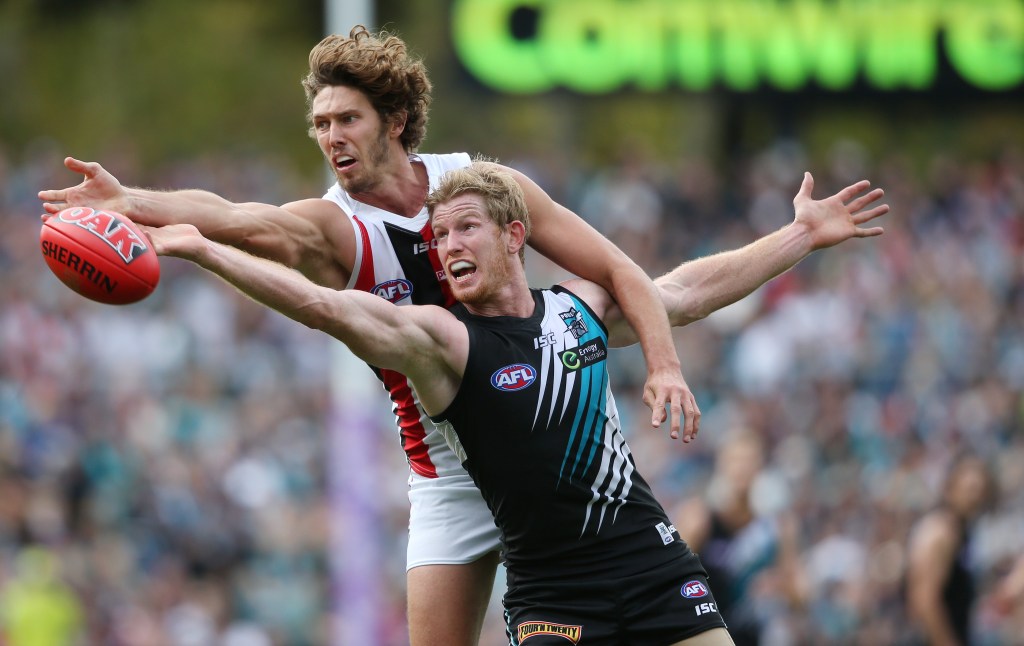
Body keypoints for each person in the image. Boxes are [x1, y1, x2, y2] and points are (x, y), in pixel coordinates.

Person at [38, 26, 888, 646]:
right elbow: (237, 218)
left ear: (395, 118)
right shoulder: (338, 232)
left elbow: (649, 283)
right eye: (321, 125)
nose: (330, 137)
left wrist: (786, 249)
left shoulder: (486, 191)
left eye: (347, 119)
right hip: (448, 470)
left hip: (535, 429)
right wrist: (137, 204)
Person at [137, 161, 737, 644]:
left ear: (514, 235)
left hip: (650, 562)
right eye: (440, 235)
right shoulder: (442, 340)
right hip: (556, 595)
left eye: (465, 229)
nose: (447, 246)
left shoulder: (578, 307)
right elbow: (324, 307)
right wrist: (207, 250)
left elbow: (678, 293)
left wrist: (803, 234)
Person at [673, 428, 807, 645]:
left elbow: (801, 596)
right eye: (735, 460)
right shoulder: (700, 519)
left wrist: (778, 584)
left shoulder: (776, 528)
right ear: (721, 465)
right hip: (708, 633)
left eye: (748, 460)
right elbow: (673, 581)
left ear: (759, 466)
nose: (741, 468)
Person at [906, 453, 996, 646]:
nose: (976, 498)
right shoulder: (940, 532)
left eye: (981, 490)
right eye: (970, 489)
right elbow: (924, 600)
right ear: (950, 489)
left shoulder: (960, 532)